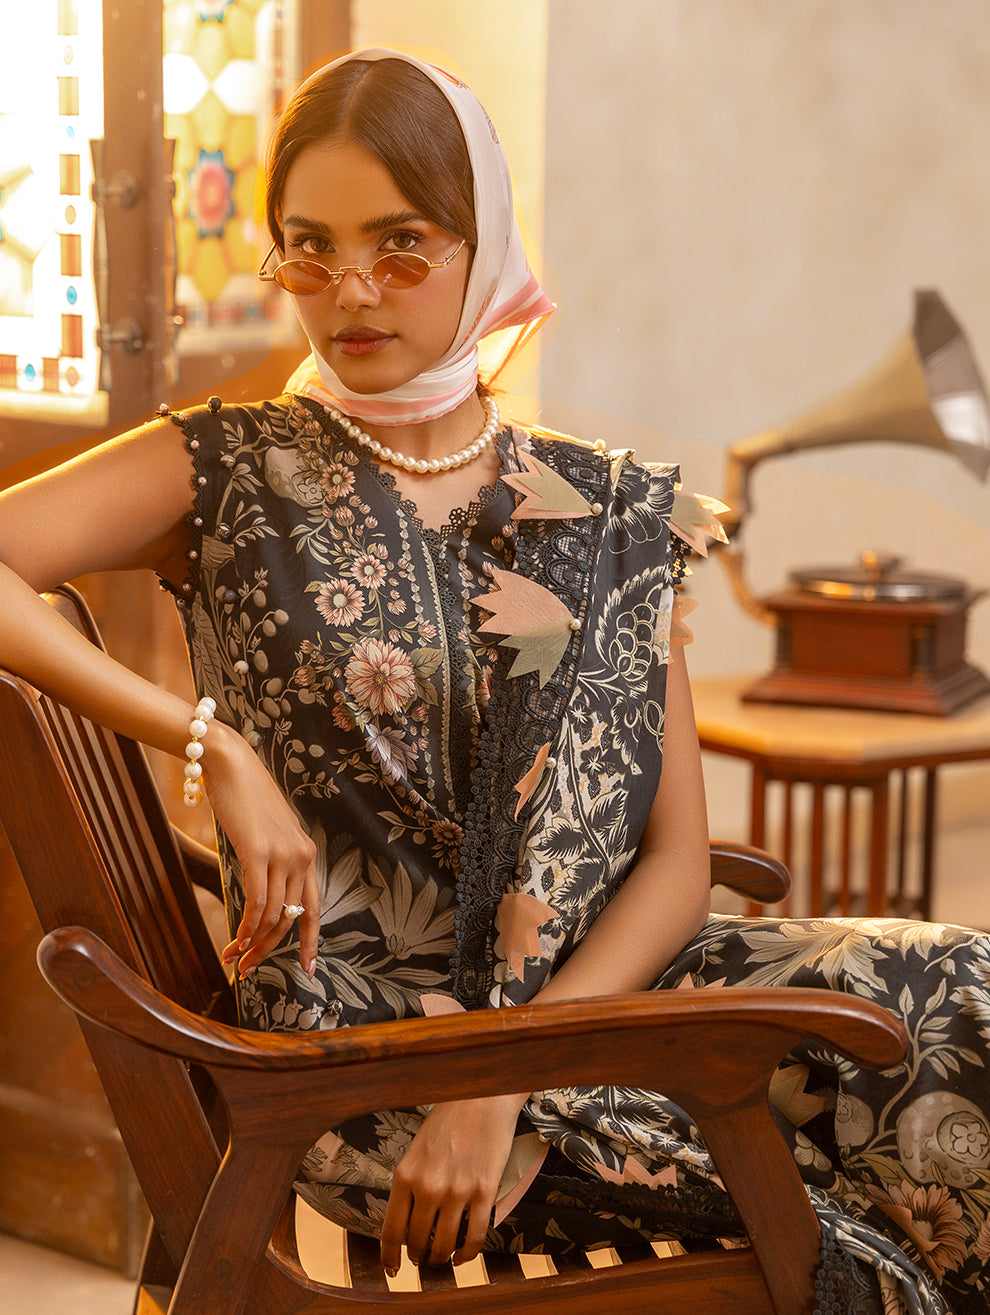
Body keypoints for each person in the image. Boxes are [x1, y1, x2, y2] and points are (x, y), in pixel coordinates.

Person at [0, 47, 988, 1315]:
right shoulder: (224, 470)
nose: (353, 291)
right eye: (310, 249)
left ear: (482, 245)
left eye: (401, 245)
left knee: (965, 996)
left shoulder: (599, 505)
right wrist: (210, 742)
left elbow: (677, 862)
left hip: (593, 1016)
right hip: (375, 1069)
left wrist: (509, 1073)